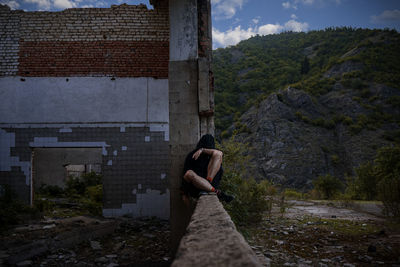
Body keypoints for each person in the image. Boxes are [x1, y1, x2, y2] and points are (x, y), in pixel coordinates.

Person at [181, 134, 234, 202]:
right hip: (197, 187)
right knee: (188, 173)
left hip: (210, 182)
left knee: (218, 154)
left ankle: (208, 183)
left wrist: (202, 150)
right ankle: (217, 192)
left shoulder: (214, 156)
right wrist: (184, 193)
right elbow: (185, 176)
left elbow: (218, 153)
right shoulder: (192, 155)